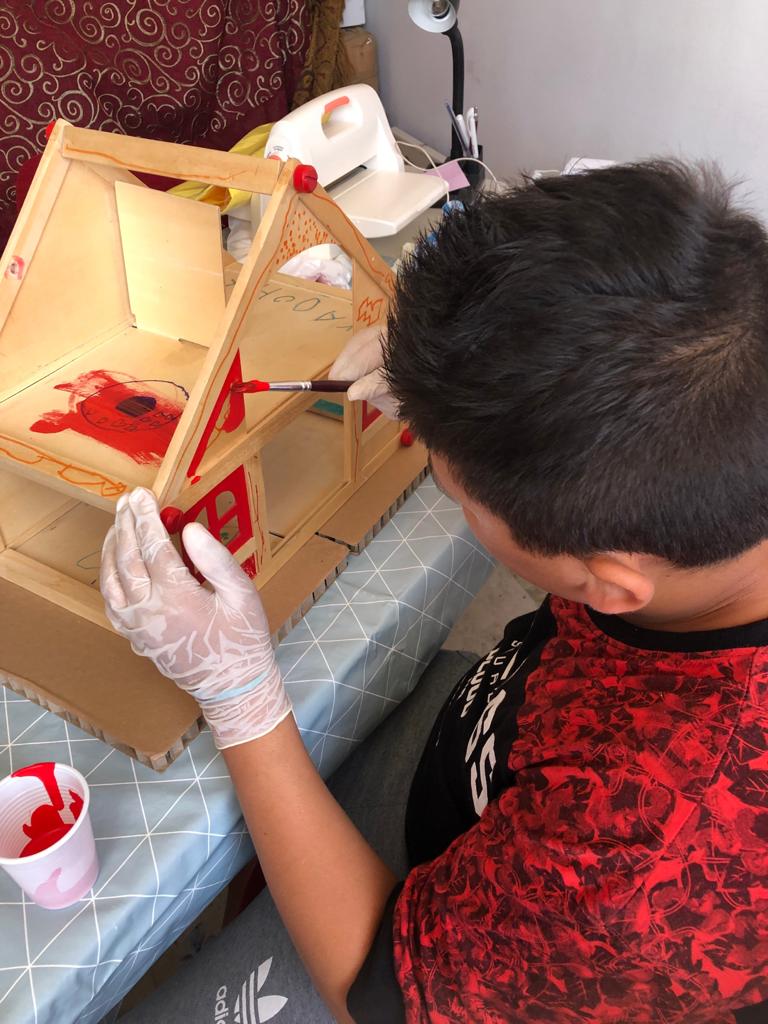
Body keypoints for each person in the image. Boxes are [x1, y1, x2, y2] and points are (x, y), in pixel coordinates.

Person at [103, 161, 768, 1024]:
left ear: (608, 584)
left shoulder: (650, 860)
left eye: (455, 493)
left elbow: (371, 990)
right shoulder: (721, 441)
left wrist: (242, 700)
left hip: (462, 942)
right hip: (494, 751)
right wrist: (462, 379)